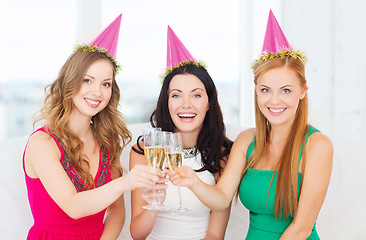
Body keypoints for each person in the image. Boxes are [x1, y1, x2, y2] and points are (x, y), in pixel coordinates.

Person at [170, 10, 333, 240]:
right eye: (265, 90)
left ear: (303, 91)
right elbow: (221, 199)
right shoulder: (247, 140)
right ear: (256, 91)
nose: (274, 100)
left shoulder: (317, 145)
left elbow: (302, 228)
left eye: (286, 90)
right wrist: (193, 181)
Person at [22, 14, 160, 240]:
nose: (97, 92)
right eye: (88, 80)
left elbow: (116, 212)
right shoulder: (42, 143)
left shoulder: (106, 142)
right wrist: (126, 183)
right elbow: (73, 206)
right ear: (70, 82)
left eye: (106, 84)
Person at [129, 26, 233, 240]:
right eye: (176, 95)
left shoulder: (222, 153)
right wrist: (153, 203)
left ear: (208, 103)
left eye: (196, 95)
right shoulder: (144, 152)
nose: (186, 104)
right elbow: (137, 234)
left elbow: (215, 234)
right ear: (167, 103)